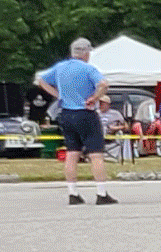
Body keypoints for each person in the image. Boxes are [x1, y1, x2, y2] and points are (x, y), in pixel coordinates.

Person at [35, 38, 112, 205]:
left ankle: (73, 192)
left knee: (71, 153)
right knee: (96, 154)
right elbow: (104, 84)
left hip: (66, 114)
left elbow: (41, 80)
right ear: (85, 53)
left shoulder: (60, 67)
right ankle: (101, 193)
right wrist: (95, 97)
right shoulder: (89, 69)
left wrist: (58, 95)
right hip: (85, 113)